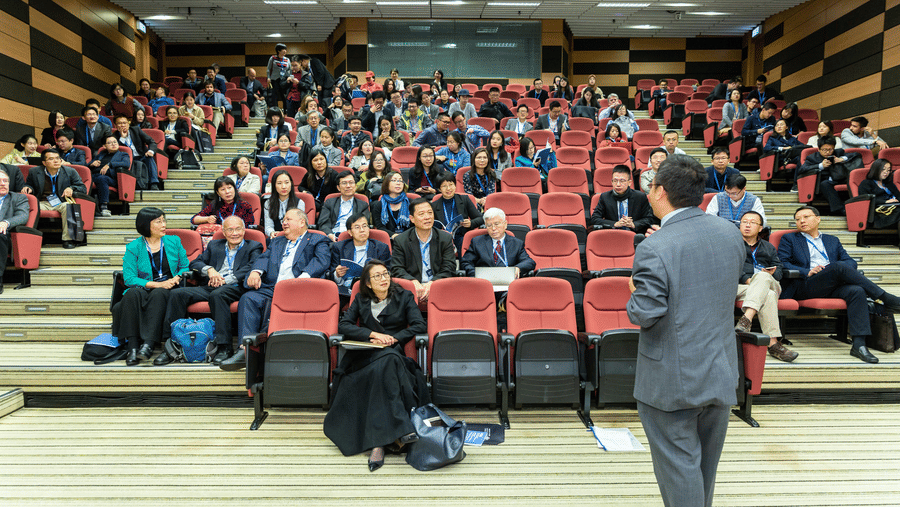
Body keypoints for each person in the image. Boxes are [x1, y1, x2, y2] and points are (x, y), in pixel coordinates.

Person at [627, 154, 745, 507]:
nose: (648, 193)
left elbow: (645, 314)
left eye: (650, 187)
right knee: (703, 472)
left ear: (661, 191)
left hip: (671, 381)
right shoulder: (730, 232)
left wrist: (633, 293)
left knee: (680, 470)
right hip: (720, 369)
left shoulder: (655, 246)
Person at [323, 259, 428, 470]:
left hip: (392, 353)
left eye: (385, 274)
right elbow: (344, 324)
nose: (383, 279)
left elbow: (419, 324)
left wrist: (393, 338)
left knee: (389, 361)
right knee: (385, 366)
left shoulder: (404, 296)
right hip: (365, 355)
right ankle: (400, 428)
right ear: (368, 283)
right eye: (377, 276)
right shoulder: (361, 299)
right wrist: (373, 334)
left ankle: (378, 444)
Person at [778, 206, 900, 363]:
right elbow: (782, 263)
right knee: (838, 266)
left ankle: (859, 345)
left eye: (806, 217)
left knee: (856, 290)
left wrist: (837, 271)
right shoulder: (790, 239)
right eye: (797, 219)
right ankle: (886, 298)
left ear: (818, 219)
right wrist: (807, 271)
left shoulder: (832, 240)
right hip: (806, 284)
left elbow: (850, 262)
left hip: (833, 284)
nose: (801, 221)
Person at [224, 208, 331, 369]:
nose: (284, 223)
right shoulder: (277, 241)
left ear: (302, 222)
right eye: (283, 220)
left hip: (300, 289)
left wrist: (302, 279)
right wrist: (255, 271)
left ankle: (261, 353)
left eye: (288, 219)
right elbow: (264, 258)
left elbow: (321, 261)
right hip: (274, 287)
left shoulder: (317, 239)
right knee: (249, 298)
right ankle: (244, 350)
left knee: (272, 306)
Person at [156, 215, 264, 366]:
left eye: (238, 229)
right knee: (176, 294)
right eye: (230, 230)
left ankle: (224, 347)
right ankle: (171, 345)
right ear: (224, 232)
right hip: (211, 285)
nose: (235, 233)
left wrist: (225, 280)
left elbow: (251, 267)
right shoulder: (215, 245)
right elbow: (196, 262)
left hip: (236, 287)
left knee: (218, 294)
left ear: (244, 230)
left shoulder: (254, 246)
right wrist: (210, 270)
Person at [114, 208, 190, 366]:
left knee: (159, 293)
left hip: (167, 288)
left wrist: (175, 278)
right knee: (131, 294)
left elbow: (185, 267)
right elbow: (129, 278)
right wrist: (157, 283)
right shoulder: (133, 247)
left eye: (164, 220)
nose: (164, 225)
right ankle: (133, 348)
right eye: (158, 221)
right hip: (144, 287)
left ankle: (148, 345)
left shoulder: (173, 241)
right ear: (146, 225)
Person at [734, 210, 798, 362]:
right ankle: (773, 344)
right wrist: (748, 280)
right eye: (744, 222)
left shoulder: (768, 247)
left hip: (769, 283)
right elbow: (728, 266)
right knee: (767, 295)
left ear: (760, 228)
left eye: (752, 222)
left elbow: (779, 270)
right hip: (741, 286)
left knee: (763, 277)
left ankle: (746, 319)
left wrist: (772, 274)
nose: (747, 225)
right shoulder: (732, 244)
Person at [390, 198, 457, 302]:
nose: (427, 217)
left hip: (439, 286)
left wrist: (433, 282)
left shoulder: (445, 238)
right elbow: (397, 268)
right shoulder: (401, 240)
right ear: (412, 218)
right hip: (411, 289)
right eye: (421, 214)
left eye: (430, 213)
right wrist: (412, 281)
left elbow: (449, 267)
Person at [24, 149, 87, 249]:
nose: (56, 161)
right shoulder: (34, 172)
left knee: (68, 207)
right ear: (44, 162)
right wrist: (28, 188)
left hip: (61, 202)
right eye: (51, 159)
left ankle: (68, 240)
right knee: (27, 207)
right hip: (42, 202)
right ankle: (29, 238)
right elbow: (29, 184)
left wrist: (71, 188)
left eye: (58, 158)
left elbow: (83, 188)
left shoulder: (70, 171)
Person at [330, 214, 391, 300]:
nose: (362, 230)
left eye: (365, 226)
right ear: (350, 232)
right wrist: (337, 274)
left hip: (372, 289)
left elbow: (388, 272)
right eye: (357, 227)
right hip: (346, 290)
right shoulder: (339, 247)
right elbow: (331, 273)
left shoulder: (381, 248)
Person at [460, 205, 533, 276]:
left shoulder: (516, 243)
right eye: (489, 225)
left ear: (505, 224)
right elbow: (465, 263)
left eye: (496, 224)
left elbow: (529, 262)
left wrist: (518, 268)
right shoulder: (477, 242)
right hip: (484, 282)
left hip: (508, 282)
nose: (493, 228)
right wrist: (477, 274)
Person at [798, 136, 861, 214]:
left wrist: (842, 159)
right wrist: (820, 166)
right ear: (818, 149)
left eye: (830, 149)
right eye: (824, 150)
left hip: (841, 178)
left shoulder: (838, 152)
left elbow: (857, 154)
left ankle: (858, 206)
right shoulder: (812, 157)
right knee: (825, 184)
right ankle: (840, 210)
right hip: (824, 181)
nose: (827, 152)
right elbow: (802, 169)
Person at [591, 165, 655, 234]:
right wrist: (615, 224)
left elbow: (649, 218)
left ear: (629, 183)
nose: (618, 184)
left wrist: (633, 224)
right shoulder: (605, 197)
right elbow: (595, 219)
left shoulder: (640, 197)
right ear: (612, 182)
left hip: (635, 235)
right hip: (613, 234)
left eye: (622, 181)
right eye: (615, 181)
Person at [432, 171, 483, 253]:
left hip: (460, 236)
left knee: (464, 243)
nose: (448, 188)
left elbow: (480, 218)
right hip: (442, 238)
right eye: (444, 186)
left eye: (451, 185)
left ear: (455, 185)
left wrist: (470, 223)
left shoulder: (465, 199)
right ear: (439, 189)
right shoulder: (434, 205)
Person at [0, 171, 29, 294]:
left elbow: (23, 216)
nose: (3, 184)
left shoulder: (18, 198)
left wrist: (6, 222)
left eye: (5, 181)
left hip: (7, 237)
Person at [112, 115, 160, 190]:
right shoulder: (114, 136)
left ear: (129, 123)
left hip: (142, 156)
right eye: (120, 123)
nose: (122, 125)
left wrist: (150, 151)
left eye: (124, 123)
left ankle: (154, 183)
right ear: (115, 125)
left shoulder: (136, 130)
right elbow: (115, 150)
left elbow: (151, 142)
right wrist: (122, 138)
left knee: (150, 158)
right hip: (128, 160)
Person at [319, 171, 370, 241]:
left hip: (352, 238)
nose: (348, 186)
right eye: (344, 183)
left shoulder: (362, 205)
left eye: (351, 182)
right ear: (338, 187)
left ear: (355, 186)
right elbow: (323, 223)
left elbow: (363, 225)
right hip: (333, 237)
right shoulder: (329, 202)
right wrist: (330, 234)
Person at [89, 136, 131, 216]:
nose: (113, 144)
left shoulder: (123, 154)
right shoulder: (101, 154)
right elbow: (88, 164)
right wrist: (92, 164)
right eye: (109, 143)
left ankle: (104, 207)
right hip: (95, 176)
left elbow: (126, 164)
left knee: (102, 178)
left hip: (111, 178)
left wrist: (109, 164)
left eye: (115, 142)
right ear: (104, 146)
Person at [858, 159, 900, 232]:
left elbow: (898, 196)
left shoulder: (889, 184)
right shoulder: (866, 183)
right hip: (879, 214)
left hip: (894, 209)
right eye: (883, 169)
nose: (886, 172)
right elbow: (865, 200)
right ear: (876, 169)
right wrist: (886, 202)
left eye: (888, 170)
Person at [264, 169, 303, 239]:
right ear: (274, 185)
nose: (283, 186)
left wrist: (283, 234)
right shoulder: (268, 203)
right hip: (276, 238)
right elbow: (268, 226)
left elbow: (299, 226)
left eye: (287, 182)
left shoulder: (299, 203)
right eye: (279, 183)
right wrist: (272, 233)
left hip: (294, 237)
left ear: (291, 184)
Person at [370, 172, 411, 238]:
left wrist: (404, 237)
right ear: (386, 184)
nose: (398, 183)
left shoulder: (410, 203)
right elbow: (380, 227)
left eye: (400, 180)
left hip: (409, 239)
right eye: (394, 180)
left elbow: (415, 225)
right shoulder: (378, 205)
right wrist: (393, 235)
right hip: (387, 239)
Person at [267, 43, 292, 108]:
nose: (285, 51)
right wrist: (268, 77)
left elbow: (289, 70)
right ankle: (275, 110)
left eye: (286, 50)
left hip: (284, 80)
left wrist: (289, 76)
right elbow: (268, 69)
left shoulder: (287, 59)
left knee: (284, 95)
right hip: (275, 79)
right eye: (284, 49)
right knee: (274, 95)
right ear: (278, 50)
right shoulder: (272, 58)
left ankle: (285, 111)